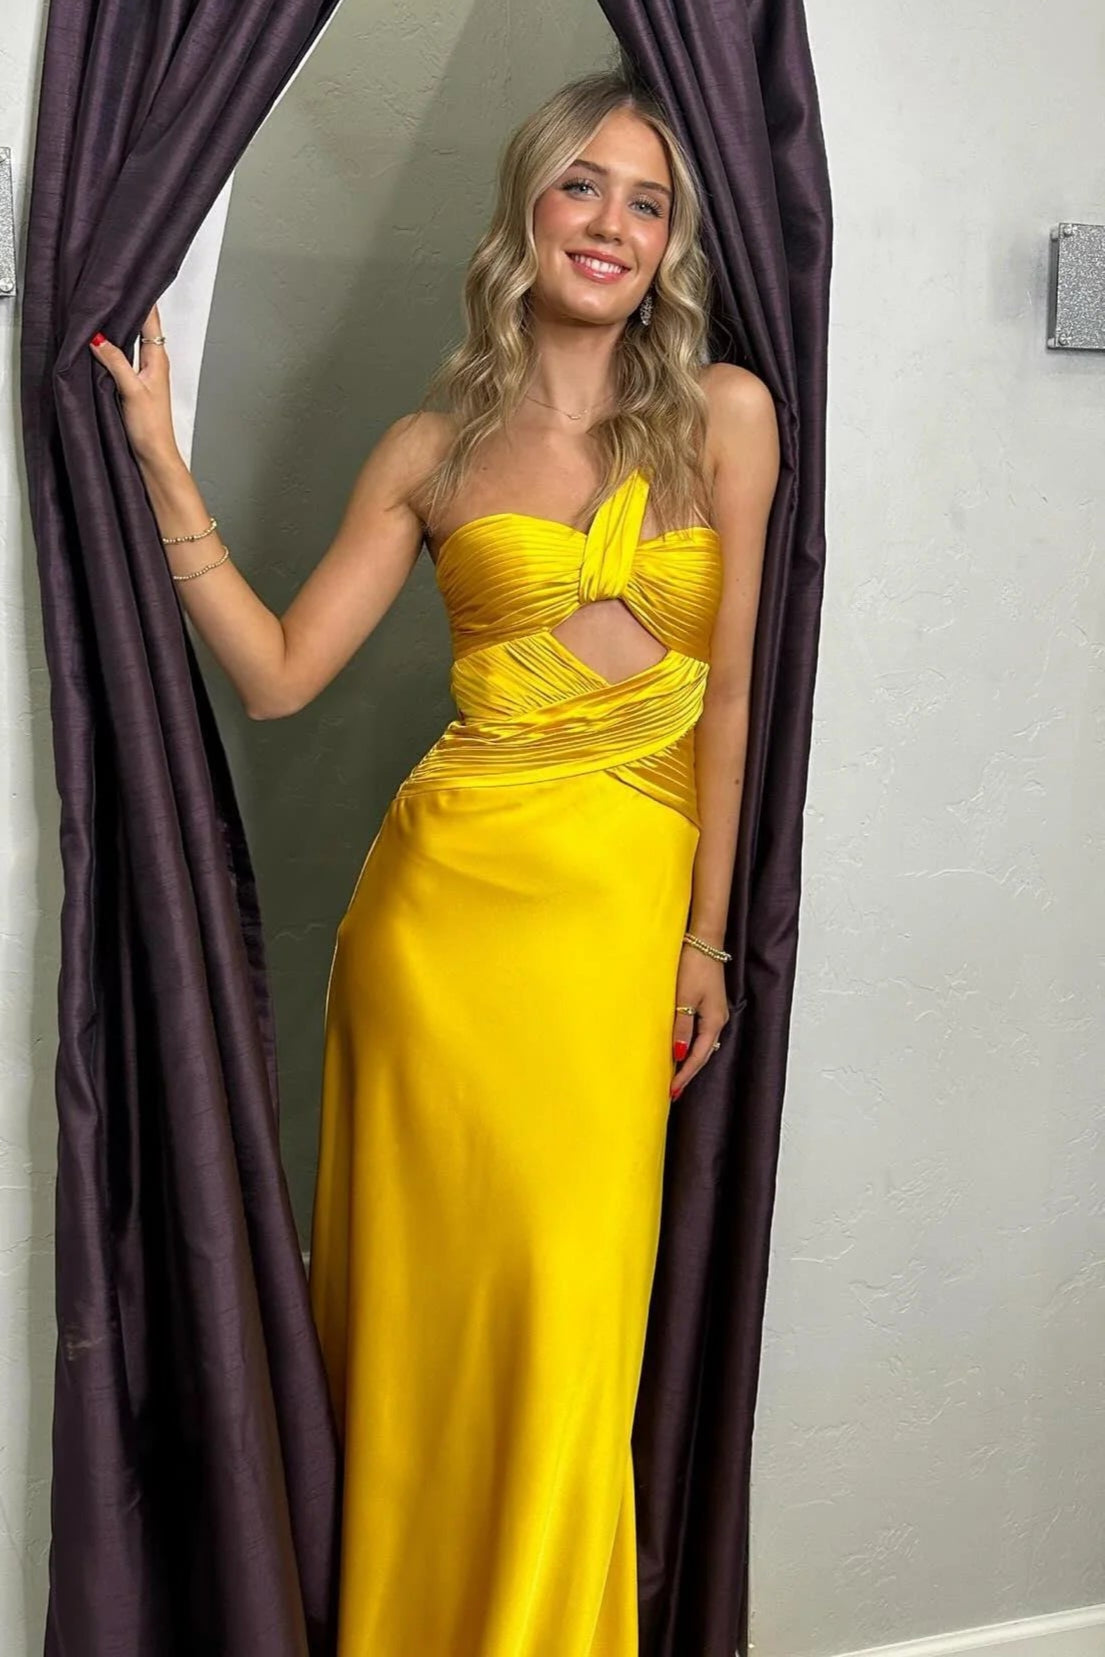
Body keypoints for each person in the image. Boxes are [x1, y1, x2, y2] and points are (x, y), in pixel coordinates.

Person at [90, 63, 779, 1657]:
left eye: (647, 201)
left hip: (616, 933)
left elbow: (736, 693)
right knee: (424, 1327)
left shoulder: (725, 417)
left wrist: (708, 939)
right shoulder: (429, 446)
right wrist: (164, 469)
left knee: (567, 1321)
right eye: (581, 184)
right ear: (523, 209)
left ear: (670, 246)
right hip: (437, 934)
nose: (608, 222)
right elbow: (278, 674)